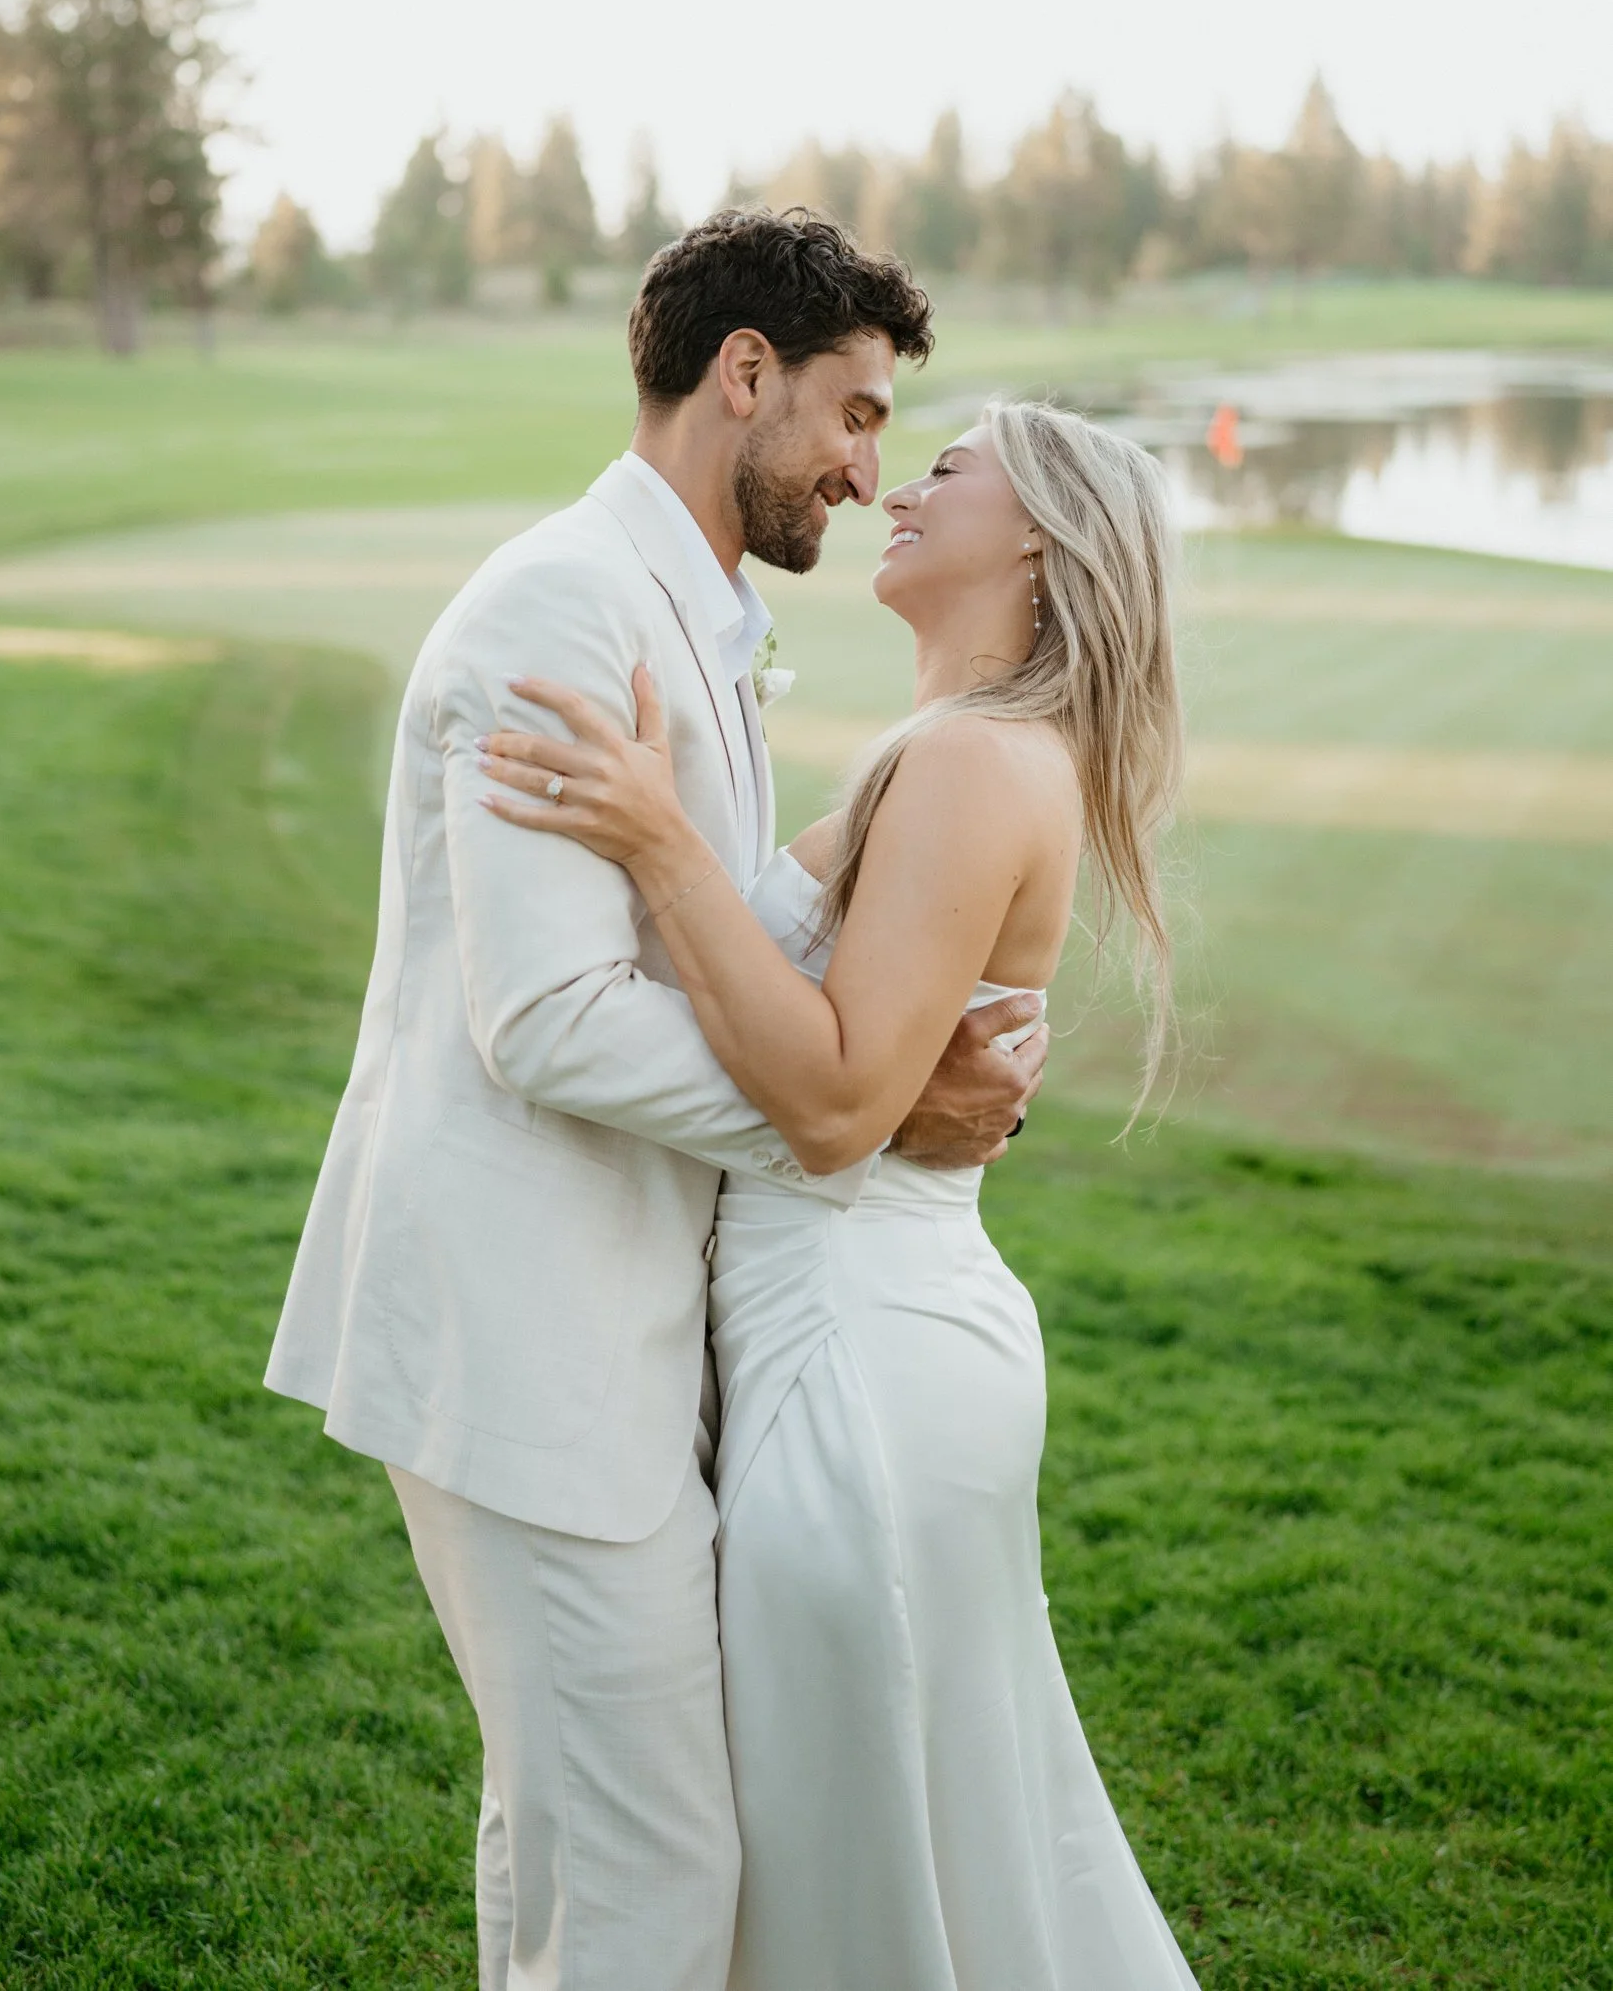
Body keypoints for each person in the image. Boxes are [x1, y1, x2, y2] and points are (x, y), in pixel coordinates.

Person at [264, 208, 1047, 1991]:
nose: (864, 471)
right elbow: (546, 1016)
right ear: (743, 374)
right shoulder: (563, 602)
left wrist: (871, 958)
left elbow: (694, 927)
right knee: (642, 1876)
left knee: (587, 1849)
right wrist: (851, 1106)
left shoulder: (688, 609)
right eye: (851, 416)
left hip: (615, 1331)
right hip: (522, 1330)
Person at [480, 397, 1202, 1989]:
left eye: (947, 466)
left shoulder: (966, 761)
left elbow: (826, 1102)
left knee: (843, 1864)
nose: (895, 482)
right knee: (904, 1832)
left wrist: (664, 850)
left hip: (858, 1363)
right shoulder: (945, 752)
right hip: (851, 1340)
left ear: (1038, 536)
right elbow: (805, 1025)